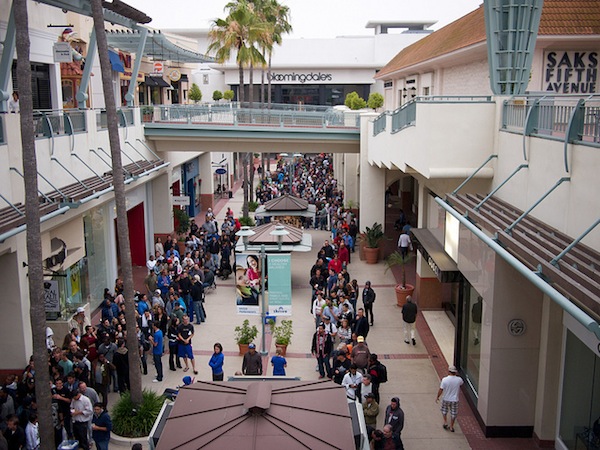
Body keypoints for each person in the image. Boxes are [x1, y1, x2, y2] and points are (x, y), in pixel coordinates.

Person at [436, 365, 464, 432]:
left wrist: (437, 397)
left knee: (444, 410)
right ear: (455, 372)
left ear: (448, 371)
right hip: (454, 399)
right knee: (453, 413)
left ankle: (445, 422)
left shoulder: (445, 380)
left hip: (446, 398)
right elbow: (461, 383)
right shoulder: (459, 380)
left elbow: (441, 389)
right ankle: (451, 426)